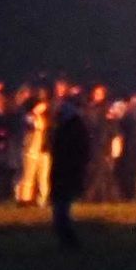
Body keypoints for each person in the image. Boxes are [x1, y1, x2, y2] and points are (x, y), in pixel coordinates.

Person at [47, 93, 93, 251]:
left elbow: (71, 151)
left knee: (61, 208)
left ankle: (68, 240)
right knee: (61, 207)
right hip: (65, 172)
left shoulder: (71, 128)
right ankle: (67, 240)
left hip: (66, 172)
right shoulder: (73, 127)